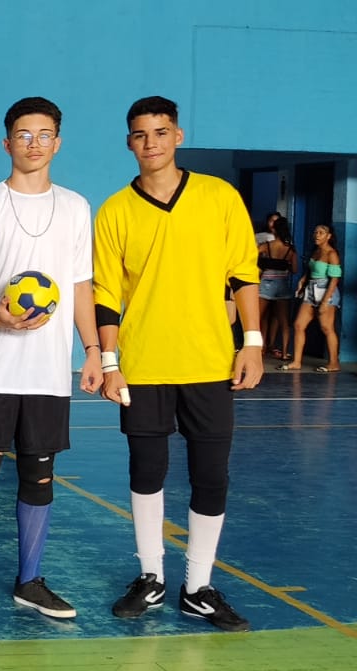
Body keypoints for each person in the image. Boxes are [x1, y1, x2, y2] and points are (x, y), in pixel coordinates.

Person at [95, 96, 262, 633]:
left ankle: (197, 586)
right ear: (129, 142)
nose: (152, 143)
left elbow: (243, 272)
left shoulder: (219, 197)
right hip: (142, 366)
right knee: (147, 473)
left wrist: (253, 342)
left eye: (161, 133)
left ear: (178, 135)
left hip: (209, 362)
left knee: (210, 476)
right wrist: (110, 360)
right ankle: (151, 577)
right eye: (141, 135)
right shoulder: (115, 209)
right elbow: (105, 295)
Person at [0, 97, 101, 631]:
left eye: (44, 134)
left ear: (57, 142)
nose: (33, 144)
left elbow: (81, 285)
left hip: (49, 373)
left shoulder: (77, 208)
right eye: (23, 135)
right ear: (6, 143)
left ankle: (28, 582)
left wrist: (93, 351)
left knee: (39, 477)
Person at [283, 224, 343, 373]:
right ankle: (296, 362)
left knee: (326, 327)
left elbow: (334, 280)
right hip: (311, 290)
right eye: (316, 232)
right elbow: (311, 270)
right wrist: (303, 280)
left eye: (321, 233)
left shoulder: (331, 254)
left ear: (328, 236)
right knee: (298, 325)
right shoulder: (316, 251)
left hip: (326, 291)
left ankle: (334, 363)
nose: (317, 235)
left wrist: (324, 302)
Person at [259, 219, 298, 360]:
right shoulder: (290, 250)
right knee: (284, 322)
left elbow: (250, 258)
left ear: (274, 230)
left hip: (266, 283)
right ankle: (285, 352)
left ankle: (259, 348)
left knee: (258, 317)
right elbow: (294, 269)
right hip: (282, 283)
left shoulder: (266, 246)